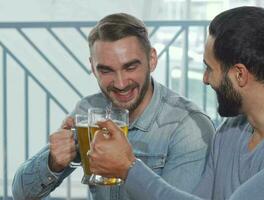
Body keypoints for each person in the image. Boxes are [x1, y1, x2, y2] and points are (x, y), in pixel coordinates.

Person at [88, 6, 264, 200]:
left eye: (209, 68)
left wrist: (128, 168)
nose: (205, 80)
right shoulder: (230, 133)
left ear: (239, 74)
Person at [12, 13, 215, 200]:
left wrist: (129, 168)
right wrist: (52, 163)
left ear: (152, 60)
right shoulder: (88, 110)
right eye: (106, 70)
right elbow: (21, 193)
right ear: (93, 67)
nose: (120, 83)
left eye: (130, 67)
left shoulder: (188, 126)